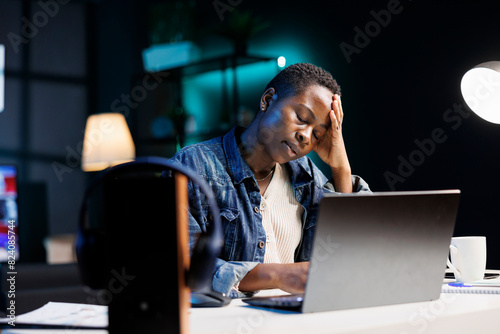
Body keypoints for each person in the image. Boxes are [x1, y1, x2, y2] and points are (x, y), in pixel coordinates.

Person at [170, 63, 370, 298]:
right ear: (267, 99)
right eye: (301, 117)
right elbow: (180, 267)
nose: (305, 136)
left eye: (318, 134)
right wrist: (277, 275)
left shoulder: (305, 175)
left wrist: (340, 168)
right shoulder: (193, 166)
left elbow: (350, 249)